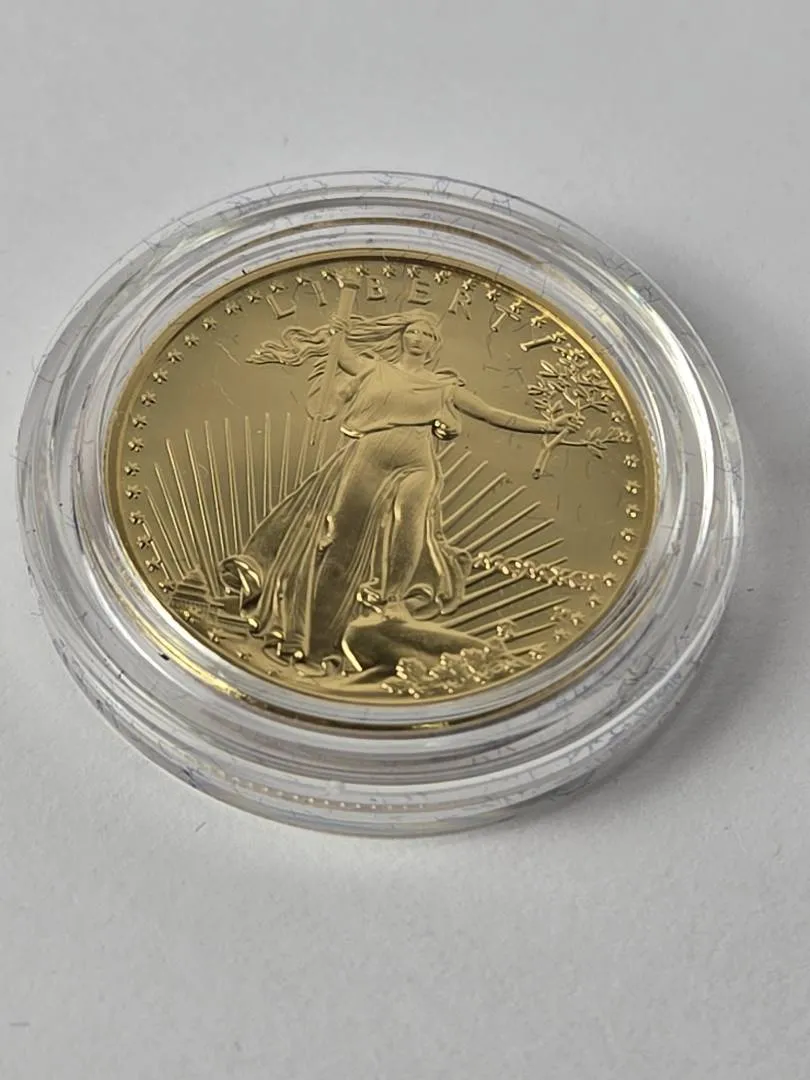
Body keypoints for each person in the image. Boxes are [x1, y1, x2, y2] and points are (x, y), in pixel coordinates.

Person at [220, 309, 574, 672]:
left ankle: (392, 599)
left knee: (410, 524)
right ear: (402, 336)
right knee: (339, 536)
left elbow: (492, 414)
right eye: (413, 332)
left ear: (435, 345)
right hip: (369, 456)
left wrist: (547, 426)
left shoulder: (443, 387)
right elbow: (339, 351)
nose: (418, 339)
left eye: (427, 335)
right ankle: (315, 628)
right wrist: (335, 331)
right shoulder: (374, 369)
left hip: (417, 463)